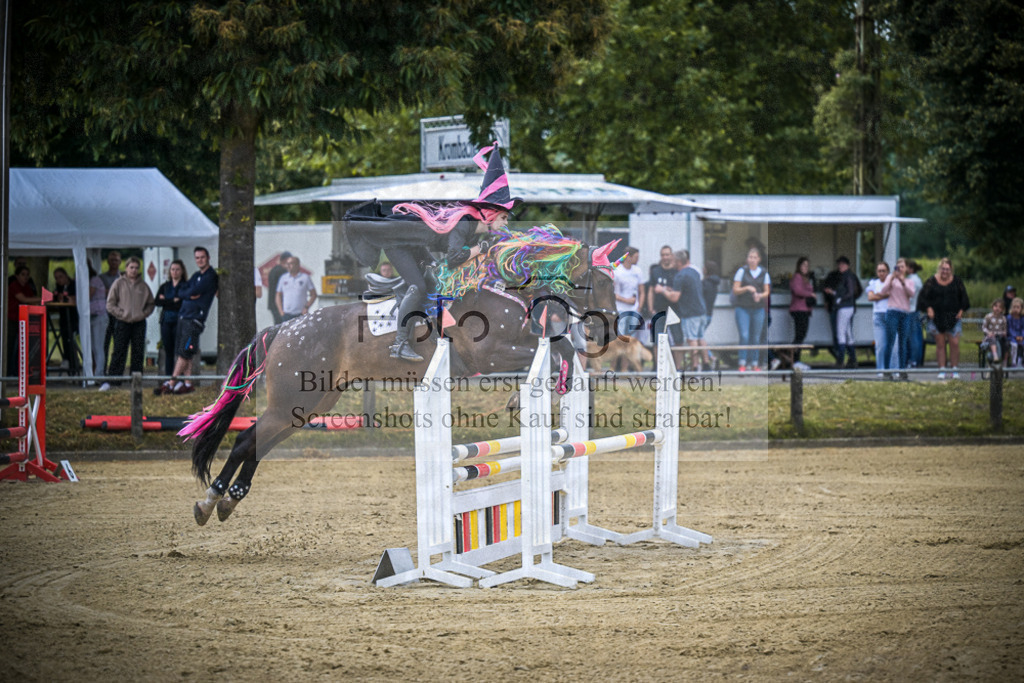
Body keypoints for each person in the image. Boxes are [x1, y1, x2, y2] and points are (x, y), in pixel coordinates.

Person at [344, 142, 519, 362]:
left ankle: (436, 333)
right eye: (503, 217)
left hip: (415, 245)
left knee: (436, 277)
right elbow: (455, 259)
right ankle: (399, 343)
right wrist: (481, 249)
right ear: (490, 214)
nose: (505, 222)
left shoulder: (477, 232)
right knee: (418, 286)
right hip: (397, 244)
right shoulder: (464, 224)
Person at [158, 247, 219, 395]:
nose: (200, 260)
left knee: (184, 352)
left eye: (202, 257)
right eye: (197, 258)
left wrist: (189, 293)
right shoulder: (197, 275)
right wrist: (189, 293)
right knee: (186, 352)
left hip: (194, 319)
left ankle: (171, 383)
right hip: (183, 317)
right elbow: (183, 290)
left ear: (208, 258)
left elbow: (191, 291)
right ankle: (187, 383)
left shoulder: (210, 276)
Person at [103, 256, 155, 390]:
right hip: (122, 322)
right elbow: (110, 304)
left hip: (138, 322)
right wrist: (121, 314)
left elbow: (151, 303)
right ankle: (114, 380)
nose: (134, 270)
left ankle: (136, 380)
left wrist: (143, 314)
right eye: (131, 267)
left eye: (136, 268)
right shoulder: (118, 283)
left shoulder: (143, 286)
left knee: (138, 351)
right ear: (126, 268)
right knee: (119, 351)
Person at [918, 257, 970, 379]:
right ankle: (942, 369)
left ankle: (954, 369)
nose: (945, 271)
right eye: (943, 268)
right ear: (939, 268)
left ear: (951, 269)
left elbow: (964, 298)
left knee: (955, 343)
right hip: (936, 318)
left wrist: (961, 310)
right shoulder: (931, 281)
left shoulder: (957, 281)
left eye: (947, 269)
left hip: (953, 317)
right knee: (940, 344)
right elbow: (922, 298)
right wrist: (928, 308)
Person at [658, 250, 705, 371]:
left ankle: (695, 366)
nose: (672, 262)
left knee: (691, 339)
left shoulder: (680, 275)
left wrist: (662, 290)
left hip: (690, 312)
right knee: (700, 338)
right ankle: (706, 362)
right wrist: (670, 289)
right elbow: (687, 290)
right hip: (701, 310)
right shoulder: (694, 271)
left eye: (673, 260)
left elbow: (674, 298)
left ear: (678, 262)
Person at [732, 247, 770, 372]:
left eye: (755, 257)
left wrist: (760, 295)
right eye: (750, 257)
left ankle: (755, 363)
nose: (752, 260)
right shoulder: (742, 271)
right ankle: (742, 363)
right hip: (743, 308)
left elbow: (767, 292)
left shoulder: (764, 273)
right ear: (747, 259)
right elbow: (735, 290)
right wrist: (747, 288)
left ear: (759, 259)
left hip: (758, 308)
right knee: (744, 335)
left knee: (756, 337)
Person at [879, 257, 916, 378]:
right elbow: (883, 290)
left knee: (903, 343)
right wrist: (891, 279)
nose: (900, 269)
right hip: (892, 312)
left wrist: (902, 281)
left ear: (906, 269)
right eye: (898, 267)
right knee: (890, 342)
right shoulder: (891, 279)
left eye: (902, 267)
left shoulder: (909, 281)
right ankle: (887, 371)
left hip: (905, 313)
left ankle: (902, 370)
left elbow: (912, 293)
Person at [825, 256, 862, 369]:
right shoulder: (845, 276)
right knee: (848, 333)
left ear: (847, 265)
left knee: (840, 333)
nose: (840, 266)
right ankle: (853, 359)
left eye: (842, 264)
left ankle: (840, 360)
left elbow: (851, 292)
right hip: (847, 307)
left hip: (844, 307)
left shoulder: (848, 276)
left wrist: (837, 296)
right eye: (839, 264)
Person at [153, 259, 187, 380]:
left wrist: (166, 301)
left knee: (179, 351)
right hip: (166, 322)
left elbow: (183, 302)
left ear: (182, 271)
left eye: (177, 269)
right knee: (168, 351)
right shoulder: (165, 286)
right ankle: (168, 378)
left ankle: (179, 378)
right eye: (172, 269)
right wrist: (172, 301)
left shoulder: (185, 286)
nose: (175, 272)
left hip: (180, 321)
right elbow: (157, 301)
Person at [7, 265, 41, 376]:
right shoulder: (14, 286)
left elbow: (31, 299)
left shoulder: (27, 287)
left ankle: (18, 371)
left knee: (21, 347)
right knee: (10, 346)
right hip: (12, 319)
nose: (25, 277)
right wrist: (43, 299)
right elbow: (24, 299)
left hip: (23, 320)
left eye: (27, 275)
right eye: (22, 274)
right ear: (17, 276)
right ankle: (7, 371)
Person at [645, 245, 679, 343]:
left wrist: (665, 289)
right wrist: (651, 309)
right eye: (663, 255)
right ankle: (658, 359)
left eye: (667, 255)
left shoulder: (677, 272)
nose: (665, 257)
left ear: (672, 256)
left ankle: (678, 359)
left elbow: (680, 291)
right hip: (659, 310)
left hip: (675, 310)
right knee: (657, 339)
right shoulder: (656, 271)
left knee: (678, 339)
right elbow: (651, 291)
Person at [51, 267, 81, 374]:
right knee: (65, 338)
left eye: (61, 277)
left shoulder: (74, 285)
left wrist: (70, 298)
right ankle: (68, 360)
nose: (59, 280)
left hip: (73, 317)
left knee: (70, 339)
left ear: (66, 275)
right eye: (56, 278)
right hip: (63, 316)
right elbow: (55, 298)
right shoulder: (59, 287)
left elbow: (78, 298)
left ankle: (72, 362)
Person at [866, 261, 892, 376]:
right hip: (878, 316)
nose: (881, 273)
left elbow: (891, 293)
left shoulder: (892, 283)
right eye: (879, 271)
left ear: (888, 272)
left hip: (891, 315)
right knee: (880, 345)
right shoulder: (873, 283)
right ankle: (880, 370)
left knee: (891, 345)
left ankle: (892, 369)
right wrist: (884, 295)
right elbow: (870, 297)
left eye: (883, 271)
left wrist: (878, 296)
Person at [98, 250, 122, 375]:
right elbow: (100, 293)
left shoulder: (123, 278)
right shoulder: (101, 278)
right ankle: (102, 371)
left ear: (120, 262)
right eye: (112, 260)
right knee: (104, 344)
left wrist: (109, 292)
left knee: (118, 344)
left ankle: (115, 372)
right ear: (107, 261)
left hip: (118, 314)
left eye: (116, 260)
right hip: (105, 313)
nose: (114, 263)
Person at [613, 246, 645, 341]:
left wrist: (639, 307)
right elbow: (612, 292)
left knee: (632, 337)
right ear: (628, 257)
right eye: (636, 257)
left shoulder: (637, 271)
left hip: (634, 309)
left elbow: (642, 291)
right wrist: (626, 300)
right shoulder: (618, 271)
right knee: (621, 336)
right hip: (621, 308)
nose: (637, 259)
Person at [788, 257, 815, 365]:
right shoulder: (797, 277)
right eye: (803, 265)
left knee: (802, 335)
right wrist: (810, 294)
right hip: (799, 309)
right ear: (799, 266)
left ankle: (797, 359)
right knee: (799, 335)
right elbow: (798, 291)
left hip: (806, 310)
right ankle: (795, 359)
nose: (805, 268)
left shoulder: (806, 278)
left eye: (807, 266)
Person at [275, 255, 317, 322]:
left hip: (301, 314)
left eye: (291, 263)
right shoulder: (283, 278)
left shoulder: (305, 278)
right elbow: (278, 295)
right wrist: (281, 311)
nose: (288, 266)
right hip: (286, 315)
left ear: (297, 265)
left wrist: (306, 307)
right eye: (287, 264)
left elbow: (313, 294)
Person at [88, 263, 108, 380]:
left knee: (98, 346)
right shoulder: (91, 280)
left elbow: (88, 295)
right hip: (92, 316)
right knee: (93, 347)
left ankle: (99, 374)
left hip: (99, 315)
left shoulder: (94, 280)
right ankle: (95, 373)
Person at [701, 260, 721, 367]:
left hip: (702, 314)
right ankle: (710, 357)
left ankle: (711, 357)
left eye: (704, 267)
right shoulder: (714, 284)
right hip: (709, 314)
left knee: (698, 337)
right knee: (699, 336)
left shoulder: (705, 284)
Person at [906, 260, 925, 368]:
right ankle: (916, 359)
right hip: (915, 310)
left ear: (911, 269)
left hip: (911, 310)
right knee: (916, 335)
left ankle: (913, 360)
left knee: (913, 337)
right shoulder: (917, 280)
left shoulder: (912, 280)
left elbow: (910, 296)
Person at [981, 299, 1008, 366]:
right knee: (992, 339)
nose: (997, 308)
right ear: (992, 306)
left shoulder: (1003, 318)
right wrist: (988, 332)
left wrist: (1003, 333)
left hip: (999, 337)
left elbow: (1004, 330)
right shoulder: (988, 317)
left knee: (1002, 344)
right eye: (996, 306)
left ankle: (994, 358)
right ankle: (995, 356)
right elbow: (984, 327)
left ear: (1002, 309)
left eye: (1000, 307)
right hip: (989, 337)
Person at [266, 251, 290, 324]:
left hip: (273, 304)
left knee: (277, 325)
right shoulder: (282, 271)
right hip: (280, 304)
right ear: (285, 260)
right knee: (283, 326)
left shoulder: (273, 270)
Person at [1007, 297, 1024, 367]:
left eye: (1017, 307)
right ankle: (1014, 361)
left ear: (1021, 308)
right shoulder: (1009, 317)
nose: (1015, 309)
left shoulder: (1022, 318)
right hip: (1012, 337)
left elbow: (1023, 328)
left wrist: (1022, 336)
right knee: (1014, 345)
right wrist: (1015, 336)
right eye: (1014, 307)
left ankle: (1022, 360)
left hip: (1021, 336)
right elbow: (1009, 329)